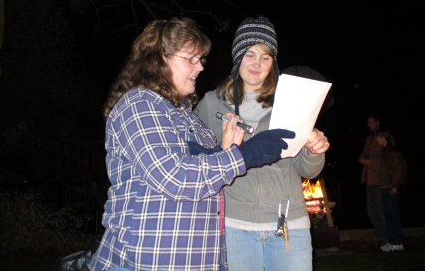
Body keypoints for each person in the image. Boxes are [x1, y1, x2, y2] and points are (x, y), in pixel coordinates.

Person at [88, 17, 296, 271]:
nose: (200, 68)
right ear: (159, 58)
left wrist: (226, 149)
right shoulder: (140, 104)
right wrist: (246, 154)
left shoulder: (186, 115)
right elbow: (174, 177)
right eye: (191, 59)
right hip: (143, 260)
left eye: (201, 60)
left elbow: (205, 175)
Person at [194, 15, 330, 271]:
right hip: (234, 228)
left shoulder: (291, 101)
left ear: (273, 63)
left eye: (265, 57)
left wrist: (314, 150)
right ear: (237, 57)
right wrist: (222, 151)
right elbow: (195, 162)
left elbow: (308, 170)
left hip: (289, 227)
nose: (257, 64)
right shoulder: (211, 104)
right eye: (250, 54)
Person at [358, 113, 395, 245]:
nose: (369, 126)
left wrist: (371, 161)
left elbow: (390, 154)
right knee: (371, 209)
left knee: (381, 209)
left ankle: (386, 235)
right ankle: (379, 233)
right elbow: (363, 154)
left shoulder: (386, 137)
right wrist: (363, 159)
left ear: (378, 123)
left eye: (371, 123)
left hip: (380, 179)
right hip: (369, 179)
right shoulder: (369, 139)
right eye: (368, 123)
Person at [376, 129, 407, 252]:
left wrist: (395, 185)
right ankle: (392, 241)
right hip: (386, 187)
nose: (377, 139)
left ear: (384, 137)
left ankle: (397, 242)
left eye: (378, 137)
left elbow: (399, 169)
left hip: (390, 188)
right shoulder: (386, 151)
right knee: (389, 215)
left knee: (393, 215)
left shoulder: (391, 152)